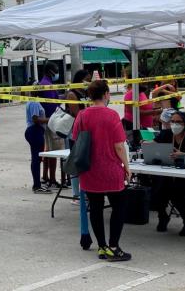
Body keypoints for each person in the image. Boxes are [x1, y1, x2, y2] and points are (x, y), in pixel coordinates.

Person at [73, 79, 132, 262]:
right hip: (110, 168)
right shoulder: (112, 115)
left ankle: (102, 246)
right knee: (119, 206)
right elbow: (119, 146)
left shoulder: (82, 115)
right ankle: (114, 246)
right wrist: (126, 167)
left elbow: (76, 140)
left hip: (89, 169)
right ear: (106, 94)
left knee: (96, 208)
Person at [154, 111, 185, 236]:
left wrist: (182, 155)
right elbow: (154, 145)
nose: (174, 124)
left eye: (178, 122)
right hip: (170, 173)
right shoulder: (166, 134)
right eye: (172, 121)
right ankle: (162, 216)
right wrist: (147, 144)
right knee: (158, 188)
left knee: (176, 194)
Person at [65, 69, 91, 203]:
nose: (89, 82)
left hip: (86, 130)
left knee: (86, 162)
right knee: (76, 163)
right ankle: (76, 194)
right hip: (76, 131)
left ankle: (86, 192)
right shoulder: (72, 94)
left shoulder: (85, 92)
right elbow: (77, 114)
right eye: (87, 79)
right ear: (80, 79)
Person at [38, 62, 62, 188]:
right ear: (50, 71)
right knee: (53, 152)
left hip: (48, 121)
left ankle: (46, 176)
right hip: (51, 121)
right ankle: (51, 179)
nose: (58, 72)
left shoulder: (46, 83)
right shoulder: (47, 85)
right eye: (56, 70)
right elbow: (51, 106)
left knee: (48, 151)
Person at [24, 99, 51, 194]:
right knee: (36, 158)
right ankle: (37, 185)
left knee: (36, 159)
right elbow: (35, 119)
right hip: (35, 131)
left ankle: (37, 183)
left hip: (34, 131)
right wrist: (50, 119)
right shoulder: (34, 102)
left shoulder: (32, 101)